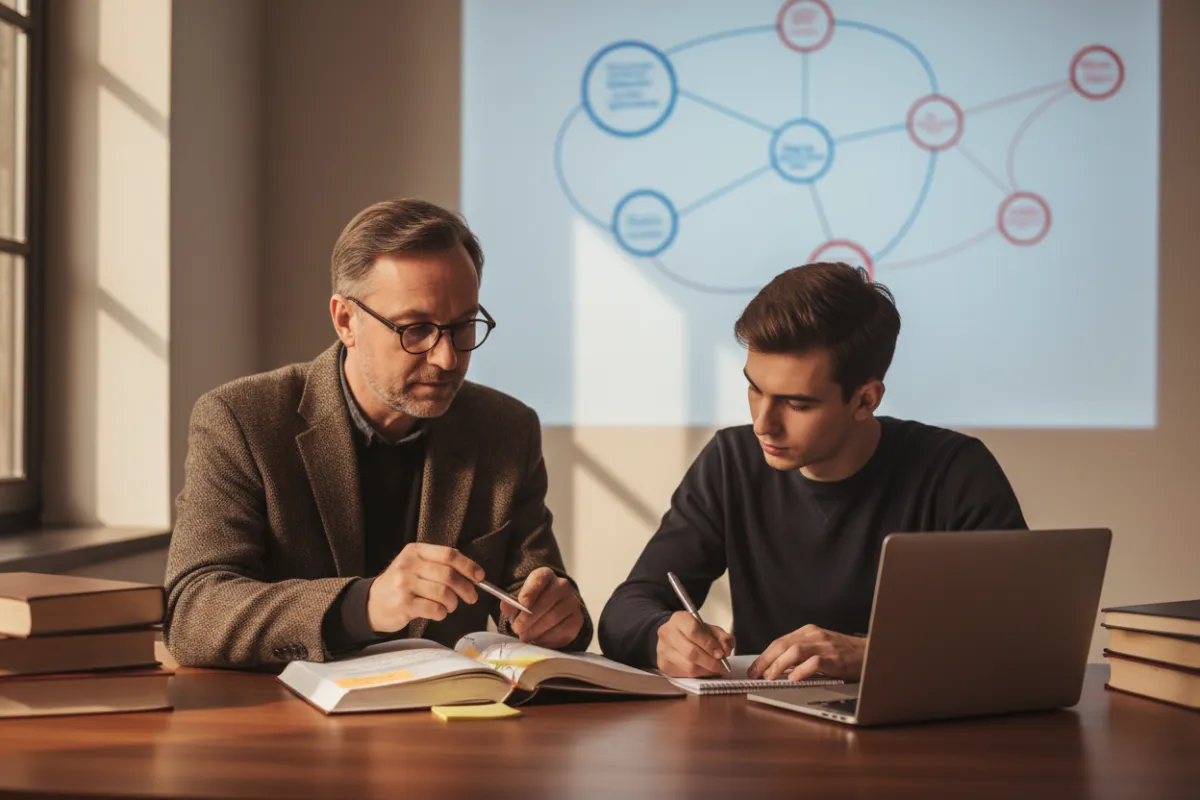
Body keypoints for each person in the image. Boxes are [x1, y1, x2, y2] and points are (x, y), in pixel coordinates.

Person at [165, 199, 590, 667]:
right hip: (286, 721)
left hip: (442, 722)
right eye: (416, 329)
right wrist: (365, 605)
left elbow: (533, 589)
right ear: (346, 320)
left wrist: (555, 615)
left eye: (464, 325)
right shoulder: (241, 418)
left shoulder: (506, 429)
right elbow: (192, 611)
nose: (448, 358)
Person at [598, 262, 1026, 683]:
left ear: (865, 400)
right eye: (754, 388)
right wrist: (661, 635)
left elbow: (1024, 636)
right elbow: (625, 609)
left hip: (926, 738)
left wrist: (874, 654)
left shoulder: (955, 471)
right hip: (766, 732)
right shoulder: (731, 460)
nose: (763, 423)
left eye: (796, 404)